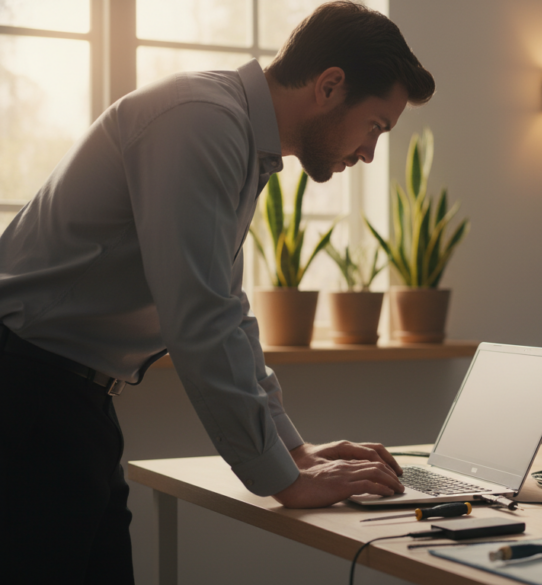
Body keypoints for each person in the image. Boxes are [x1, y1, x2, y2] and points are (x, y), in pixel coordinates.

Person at [0, 2, 434, 582]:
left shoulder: (234, 136)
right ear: (331, 86)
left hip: (71, 404)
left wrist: (295, 451)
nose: (369, 152)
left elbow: (227, 315)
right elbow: (199, 319)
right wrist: (284, 480)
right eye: (376, 126)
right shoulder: (202, 122)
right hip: (27, 395)